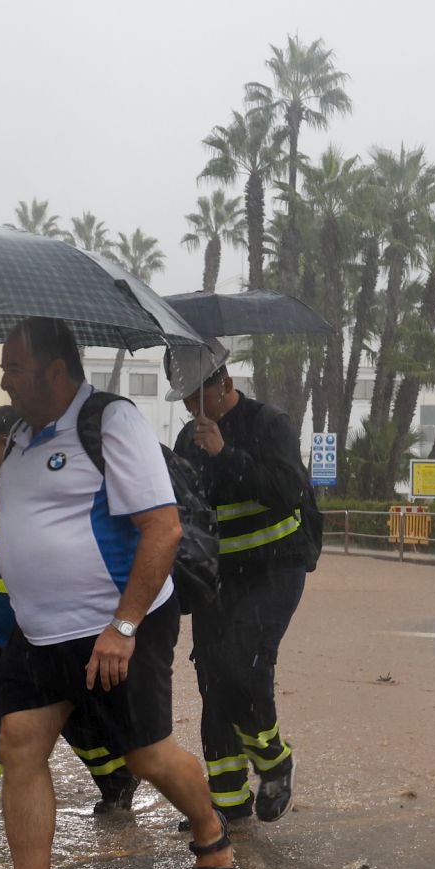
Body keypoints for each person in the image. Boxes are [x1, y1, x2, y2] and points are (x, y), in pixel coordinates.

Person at [0, 318, 236, 869]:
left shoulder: (110, 422)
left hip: (116, 624)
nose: (3, 380)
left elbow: (163, 529)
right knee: (18, 744)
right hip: (40, 630)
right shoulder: (20, 437)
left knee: (145, 755)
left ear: (56, 370)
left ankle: (211, 833)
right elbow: (30, 515)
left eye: (14, 368)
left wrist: (124, 627)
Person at [0, 406, 140, 840]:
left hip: (26, 632)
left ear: (9, 441)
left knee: (74, 717)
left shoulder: (30, 490)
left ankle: (116, 778)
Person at [169, 341, 316, 825]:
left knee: (245, 665)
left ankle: (274, 763)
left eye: (197, 397)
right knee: (213, 675)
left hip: (276, 566)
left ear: (225, 385)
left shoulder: (268, 424)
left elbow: (286, 492)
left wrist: (226, 453)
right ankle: (228, 802)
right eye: (186, 402)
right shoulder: (189, 439)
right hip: (218, 575)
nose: (192, 410)